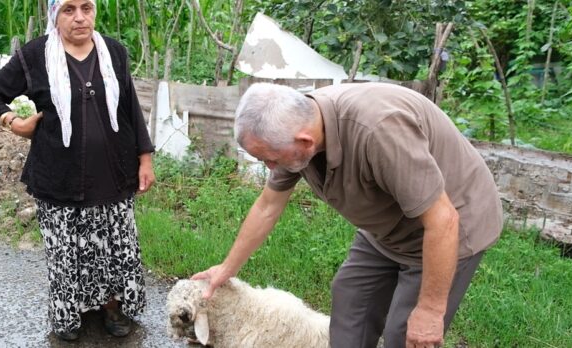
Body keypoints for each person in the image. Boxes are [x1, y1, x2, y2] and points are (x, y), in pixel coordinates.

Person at [192, 82, 503, 348]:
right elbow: (267, 206)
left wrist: (431, 310)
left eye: (271, 160)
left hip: (450, 225)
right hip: (386, 228)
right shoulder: (295, 127)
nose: (271, 168)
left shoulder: (379, 130)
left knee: (407, 332)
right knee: (351, 299)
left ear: (305, 141)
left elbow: (443, 220)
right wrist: (227, 268)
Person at [0, 0, 155, 341]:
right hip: (58, 174)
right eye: (69, 9)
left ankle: (112, 306)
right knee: (66, 250)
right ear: (54, 16)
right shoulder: (35, 56)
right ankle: (69, 311)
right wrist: (13, 121)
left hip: (113, 173)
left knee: (114, 247)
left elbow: (130, 106)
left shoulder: (113, 52)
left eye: (86, 8)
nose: (79, 18)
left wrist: (145, 158)